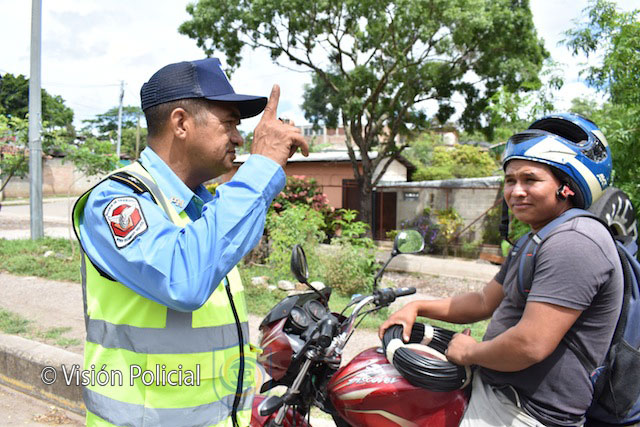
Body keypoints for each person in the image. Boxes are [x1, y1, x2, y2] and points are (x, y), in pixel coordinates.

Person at [72, 58, 308, 427]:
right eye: (229, 123)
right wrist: (261, 167)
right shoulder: (118, 201)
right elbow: (183, 280)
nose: (239, 138)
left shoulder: (201, 208)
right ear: (181, 123)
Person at [380, 113, 623, 426]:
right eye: (510, 180)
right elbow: (484, 301)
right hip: (501, 394)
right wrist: (416, 306)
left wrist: (470, 352)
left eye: (530, 180)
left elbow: (530, 345)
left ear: (567, 187)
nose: (515, 191)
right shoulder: (536, 239)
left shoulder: (575, 242)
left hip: (525, 413)